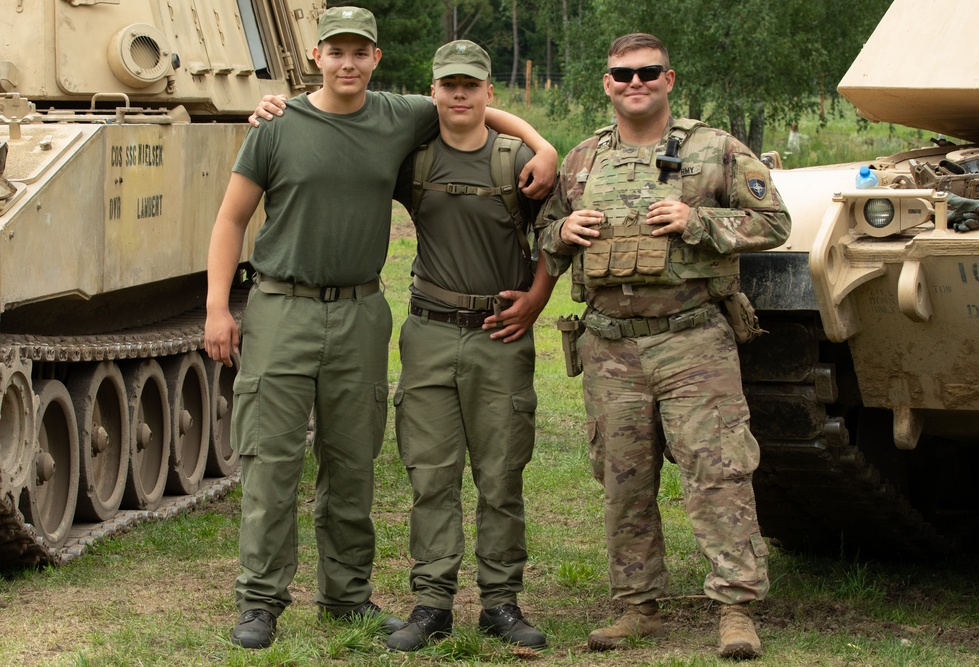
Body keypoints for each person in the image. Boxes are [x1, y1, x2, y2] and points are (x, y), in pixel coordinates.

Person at [204, 6, 556, 650]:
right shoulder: (276, 128)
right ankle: (260, 601)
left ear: (375, 60)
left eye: (359, 52)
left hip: (363, 311)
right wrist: (217, 307)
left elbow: (471, 110)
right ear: (317, 57)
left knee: (352, 460)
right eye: (335, 51)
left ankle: (345, 596)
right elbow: (231, 220)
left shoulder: (400, 115)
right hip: (282, 304)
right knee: (271, 460)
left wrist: (543, 145)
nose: (347, 62)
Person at [536, 33, 791, 660]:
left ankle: (734, 608)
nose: (635, 83)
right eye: (623, 75)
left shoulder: (716, 150)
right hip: (609, 345)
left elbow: (775, 222)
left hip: (692, 339)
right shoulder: (583, 160)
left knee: (718, 472)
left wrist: (699, 222)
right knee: (623, 479)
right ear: (607, 83)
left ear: (669, 80)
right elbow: (540, 235)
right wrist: (563, 229)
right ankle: (635, 607)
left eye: (648, 73)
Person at [383, 40, 557, 653]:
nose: (460, 94)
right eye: (449, 85)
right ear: (433, 93)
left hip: (498, 337)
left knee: (500, 475)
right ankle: (431, 603)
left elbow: (558, 239)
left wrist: (537, 297)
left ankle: (501, 603)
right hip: (428, 334)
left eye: (471, 85)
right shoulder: (413, 158)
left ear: (489, 92)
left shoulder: (520, 165)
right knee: (430, 476)